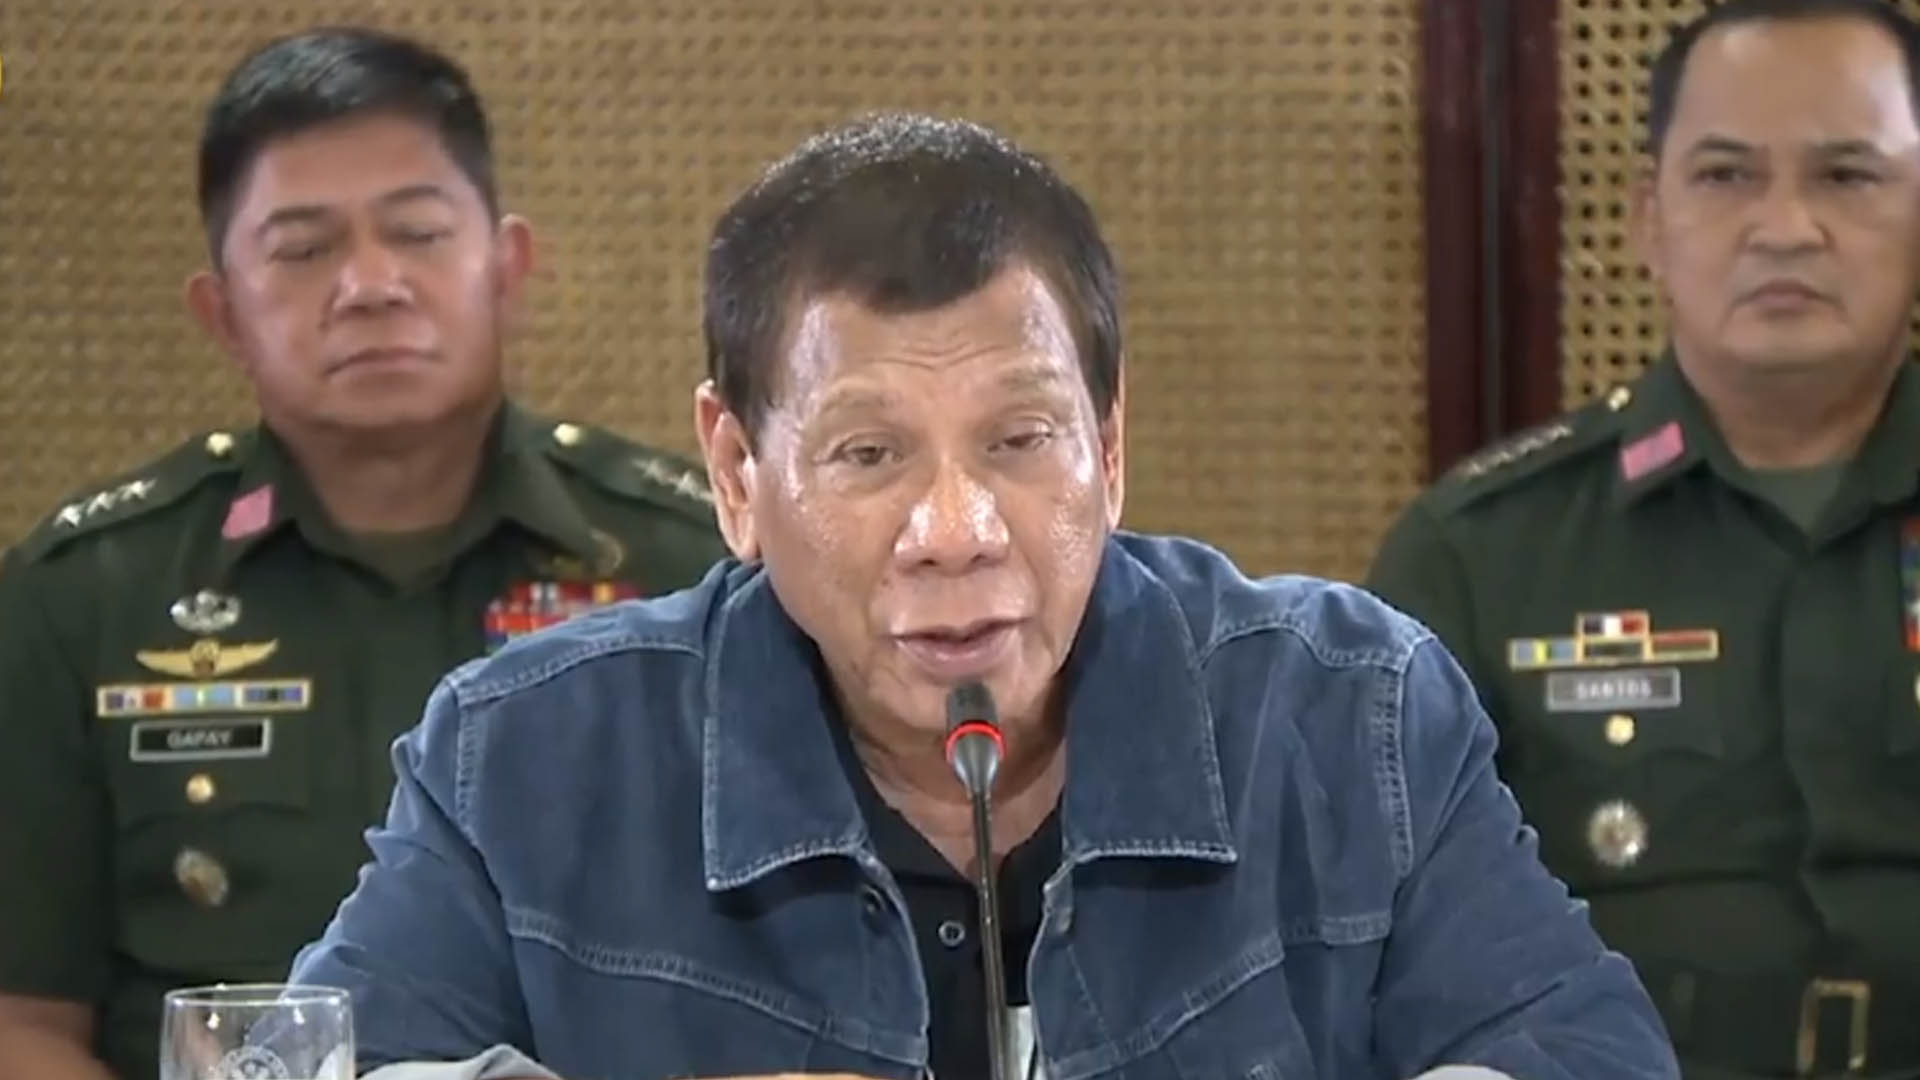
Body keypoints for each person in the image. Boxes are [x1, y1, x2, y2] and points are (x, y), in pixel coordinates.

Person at [286, 111, 1678, 1080]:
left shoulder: (1347, 713)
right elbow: (317, 1062)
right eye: (868, 455)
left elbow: (1580, 1051)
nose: (954, 533)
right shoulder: (524, 757)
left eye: (1020, 440)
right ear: (736, 472)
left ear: (1109, 450)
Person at [0, 27, 727, 1080]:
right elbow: (23, 1018)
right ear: (223, 313)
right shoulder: (87, 598)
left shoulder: (696, 564)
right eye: (304, 250)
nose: (371, 283)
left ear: (507, 269)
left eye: (418, 233)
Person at [1365, 1, 1920, 1076]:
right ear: (1647, 221)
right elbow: (1387, 941)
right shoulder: (1485, 553)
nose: (1785, 227)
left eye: (1847, 175)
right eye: (1725, 175)